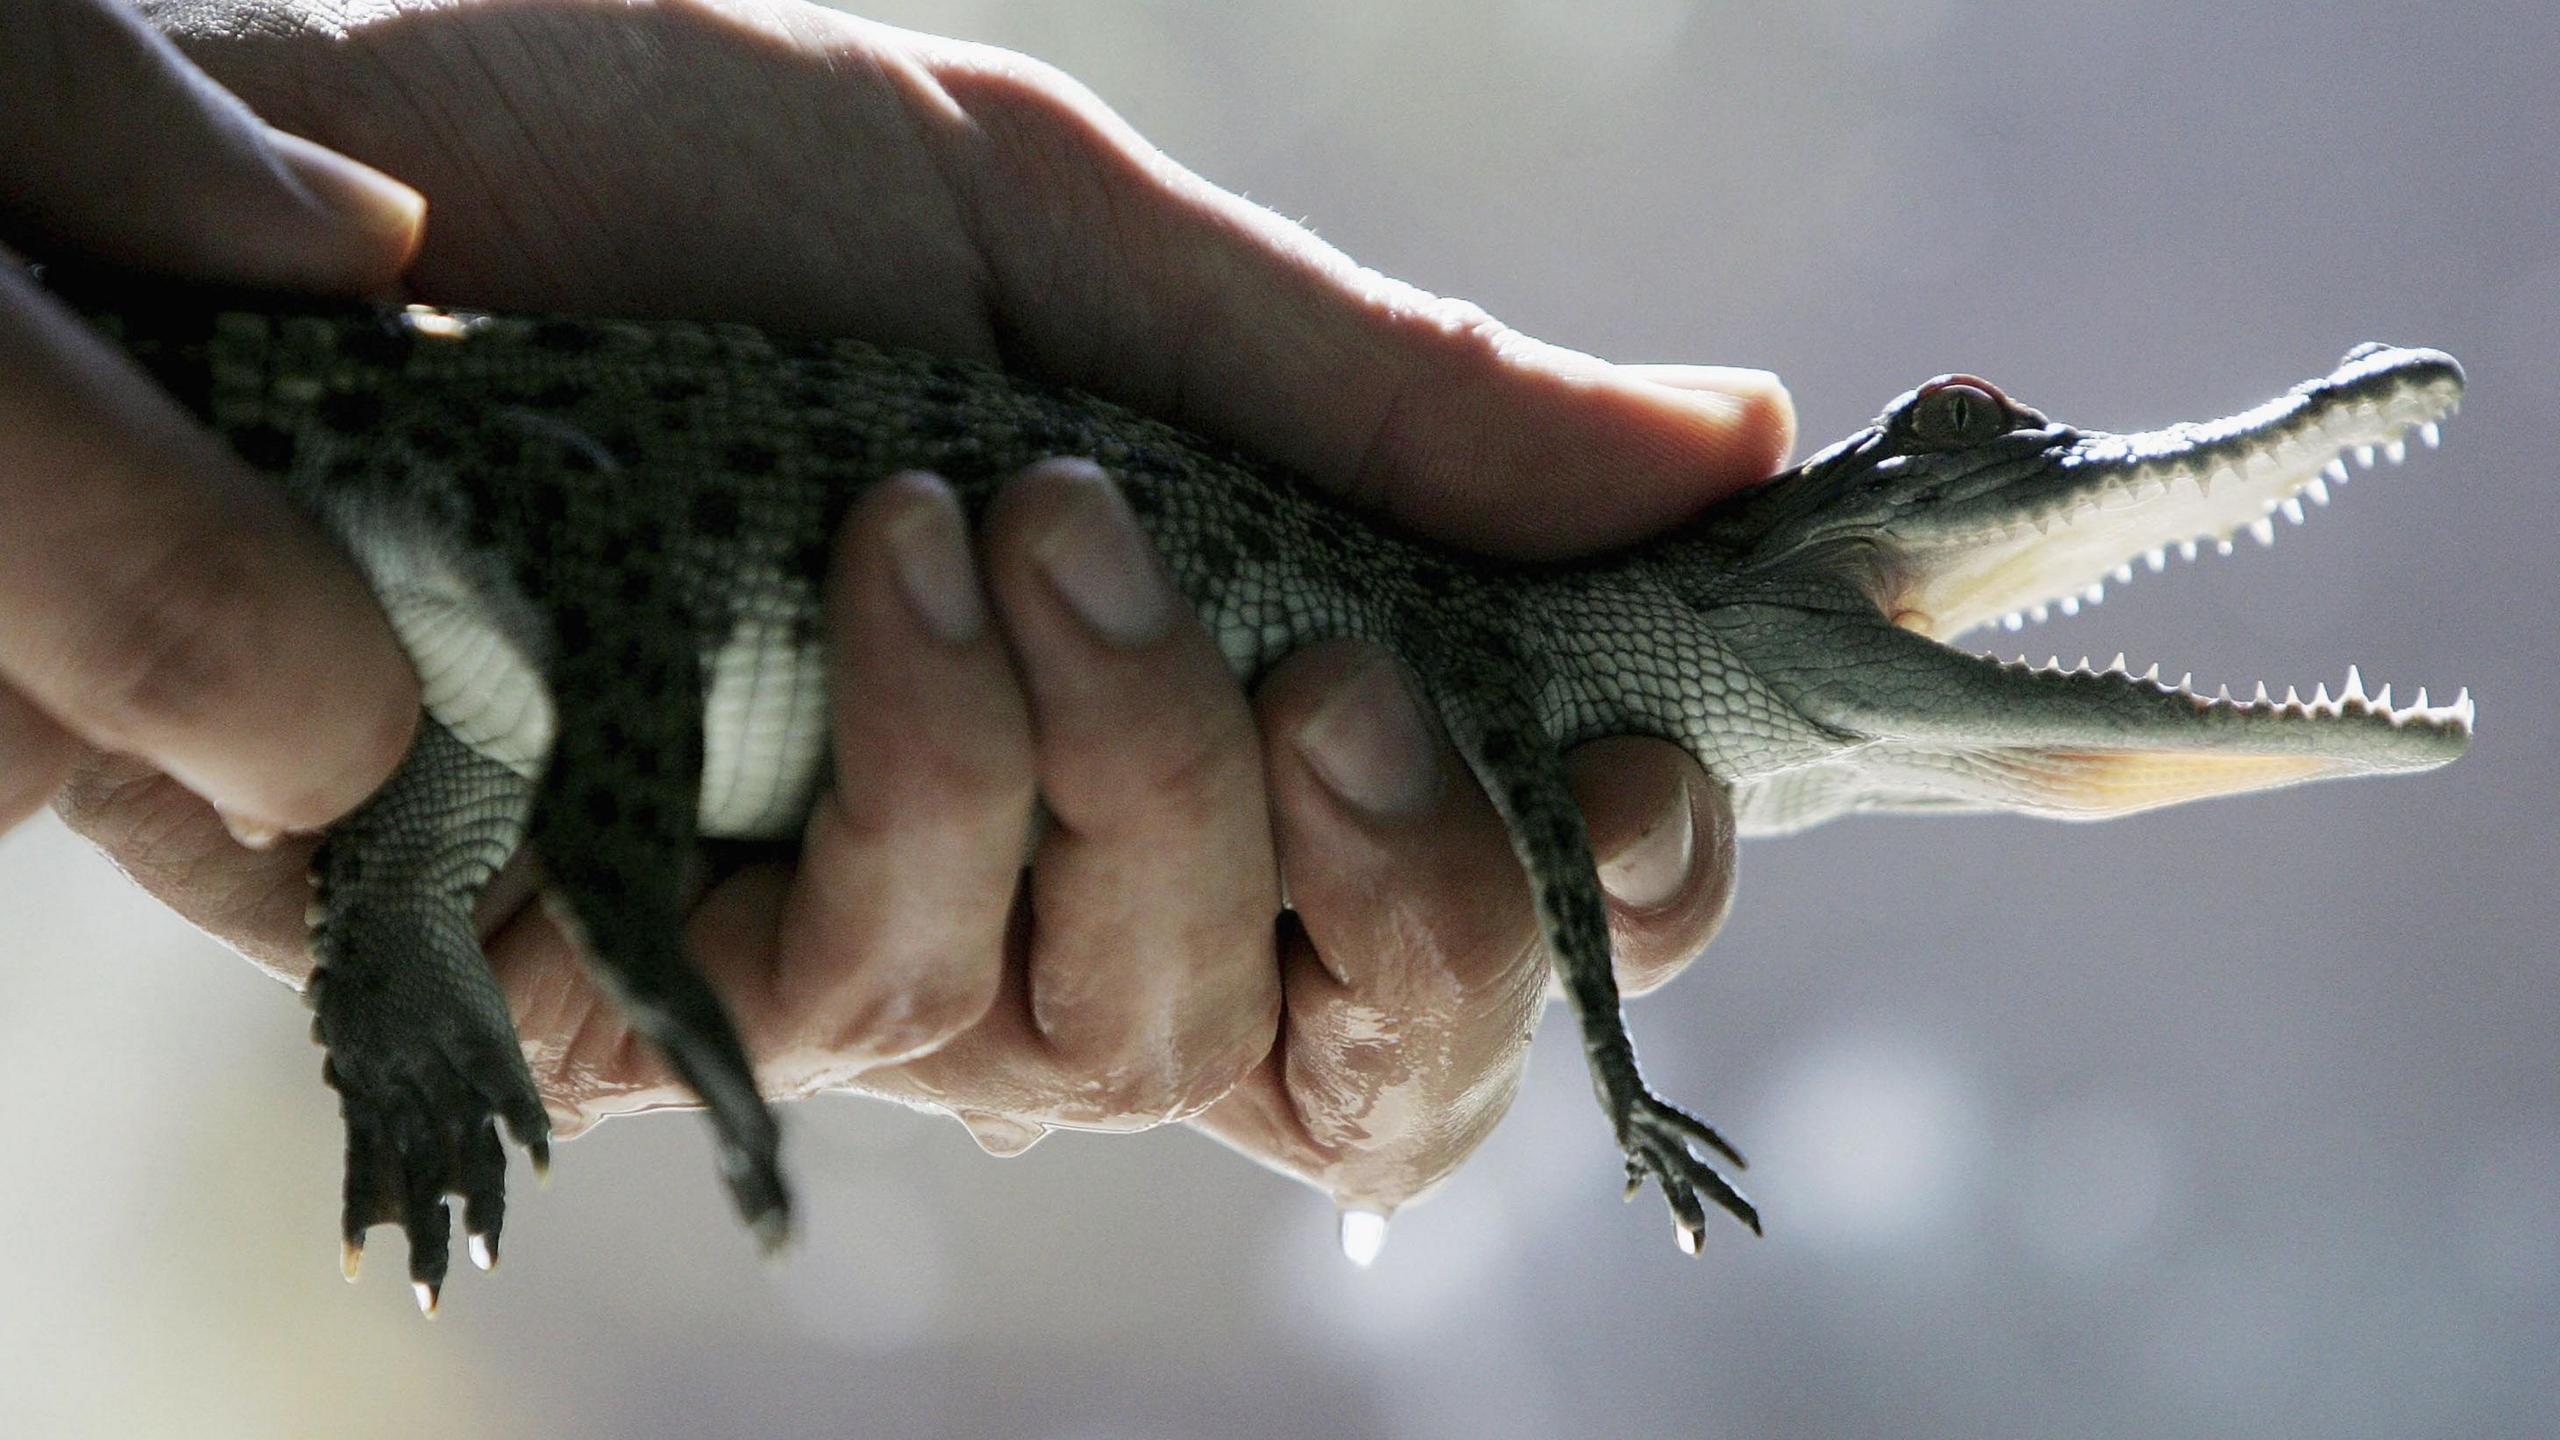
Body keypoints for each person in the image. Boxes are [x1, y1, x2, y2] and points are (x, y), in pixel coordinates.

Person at [0, 0, 1791, 1221]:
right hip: (498, 463)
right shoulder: (1483, 643)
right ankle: (401, 922)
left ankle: (403, 915)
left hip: (491, 589)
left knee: (418, 693)